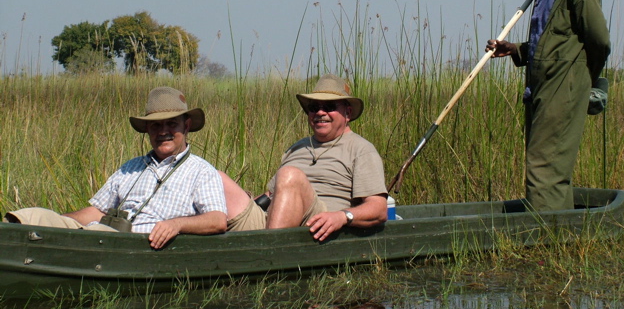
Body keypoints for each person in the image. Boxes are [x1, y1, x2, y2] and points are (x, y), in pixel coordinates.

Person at [4, 87, 232, 249]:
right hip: (104, 233)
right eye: (156, 125)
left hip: (135, 246)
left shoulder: (202, 171)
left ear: (187, 126)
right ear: (147, 129)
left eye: (172, 124)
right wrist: (60, 224)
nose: (163, 131)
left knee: (95, 234)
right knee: (31, 216)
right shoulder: (131, 167)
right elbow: (97, 212)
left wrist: (176, 224)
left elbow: (217, 220)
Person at [486, 0, 611, 211]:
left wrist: (581, 79)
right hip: (541, 86)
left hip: (563, 87)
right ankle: (559, 227)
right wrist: (515, 49)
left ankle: (545, 235)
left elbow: (600, 42)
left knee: (545, 162)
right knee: (544, 159)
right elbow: (550, 44)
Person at [264, 74, 388, 241]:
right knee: (223, 183)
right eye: (314, 107)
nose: (320, 112)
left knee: (289, 175)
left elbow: (378, 209)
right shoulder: (297, 147)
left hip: (318, 222)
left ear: (348, 112)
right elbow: (270, 194)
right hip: (272, 217)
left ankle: (269, 254)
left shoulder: (361, 150)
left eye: (329, 106)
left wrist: (342, 217)